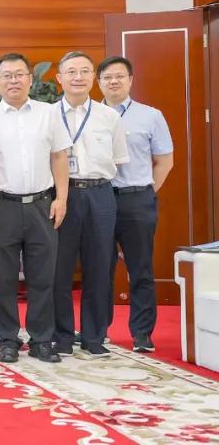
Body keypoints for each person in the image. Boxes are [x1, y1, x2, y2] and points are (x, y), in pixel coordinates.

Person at [0, 52, 70, 363]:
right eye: (7, 76)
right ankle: (7, 339)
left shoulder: (48, 114)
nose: (13, 80)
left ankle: (41, 340)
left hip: (42, 204)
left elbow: (59, 156)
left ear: (30, 79)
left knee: (42, 276)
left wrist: (61, 198)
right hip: (3, 206)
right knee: (3, 278)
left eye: (19, 74)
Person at [52, 52, 129, 357]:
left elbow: (118, 160)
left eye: (85, 71)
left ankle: (94, 335)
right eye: (71, 71)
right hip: (62, 194)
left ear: (93, 78)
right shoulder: (47, 115)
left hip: (100, 194)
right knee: (59, 267)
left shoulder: (108, 116)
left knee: (100, 265)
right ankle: (61, 335)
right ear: (59, 78)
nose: (78, 77)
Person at [97, 56, 173, 353]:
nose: (113, 81)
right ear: (99, 82)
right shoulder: (90, 115)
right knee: (99, 267)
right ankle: (97, 331)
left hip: (137, 198)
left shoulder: (150, 116)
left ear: (130, 80)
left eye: (119, 76)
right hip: (100, 198)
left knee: (140, 269)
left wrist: (147, 192)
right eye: (107, 77)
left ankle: (142, 333)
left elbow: (165, 161)